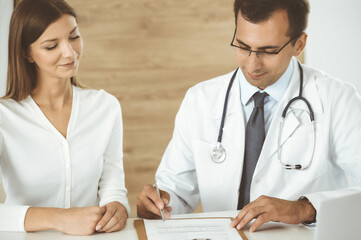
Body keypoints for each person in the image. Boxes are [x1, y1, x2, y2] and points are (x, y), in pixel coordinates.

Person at [137, 0, 361, 232]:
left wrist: (305, 209)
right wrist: (157, 203)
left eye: (268, 50)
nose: (252, 64)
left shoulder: (337, 100)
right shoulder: (200, 100)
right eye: (243, 46)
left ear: (299, 44)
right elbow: (176, 193)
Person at [0, 0, 129, 235]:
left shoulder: (105, 107)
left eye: (74, 36)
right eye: (51, 46)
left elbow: (113, 186)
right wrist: (59, 219)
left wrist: (118, 207)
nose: (69, 52)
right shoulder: (4, 117)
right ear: (26, 53)